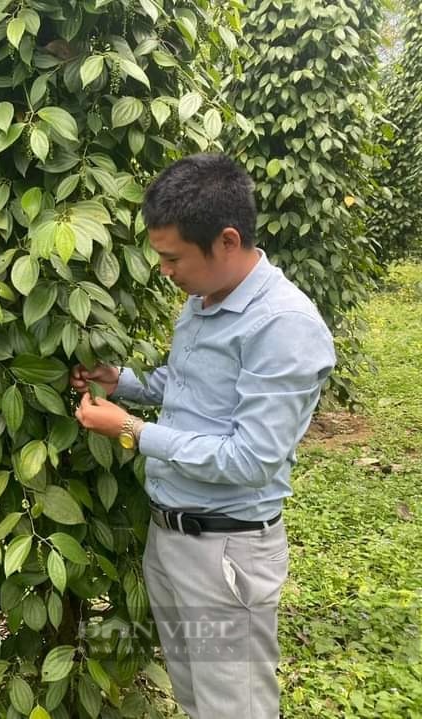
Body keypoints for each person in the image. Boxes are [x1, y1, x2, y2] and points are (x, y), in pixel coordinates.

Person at [71, 153, 335, 718]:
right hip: (174, 538)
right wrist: (123, 383)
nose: (165, 270)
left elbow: (250, 459)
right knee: (197, 698)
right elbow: (190, 390)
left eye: (173, 258)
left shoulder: (283, 326)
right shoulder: (203, 299)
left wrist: (132, 433)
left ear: (227, 240)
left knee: (234, 707)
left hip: (226, 550)